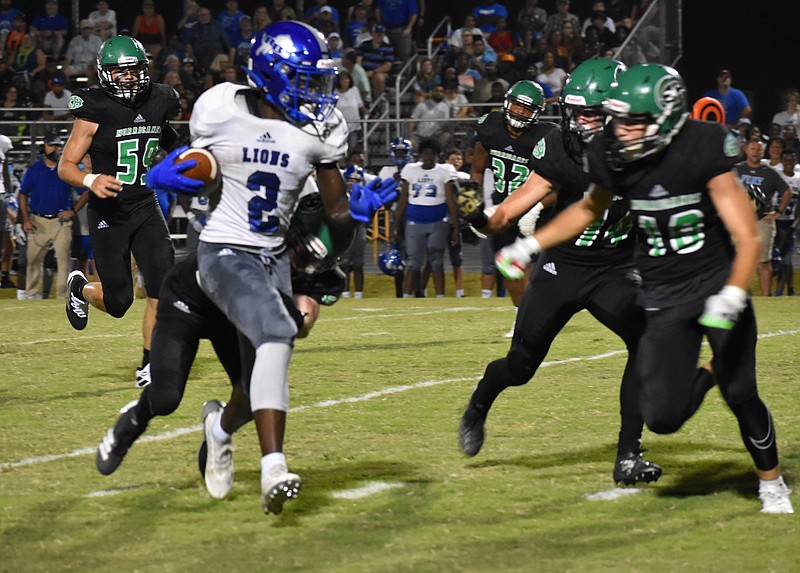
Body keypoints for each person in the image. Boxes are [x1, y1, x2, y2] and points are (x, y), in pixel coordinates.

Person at [496, 63, 794, 514]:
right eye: (622, 118)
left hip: (714, 285)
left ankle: (771, 484)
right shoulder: (614, 153)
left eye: (635, 119)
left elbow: (747, 235)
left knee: (741, 393)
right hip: (663, 293)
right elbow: (587, 210)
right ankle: (710, 372)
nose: (624, 128)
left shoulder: (702, 147)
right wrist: (532, 243)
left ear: (669, 117)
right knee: (664, 418)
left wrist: (734, 290)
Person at [135, 21, 396, 515]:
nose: (317, 93)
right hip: (235, 237)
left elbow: (335, 220)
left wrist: (347, 223)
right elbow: (204, 172)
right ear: (271, 76)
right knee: (269, 346)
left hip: (297, 238)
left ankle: (221, 427)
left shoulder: (324, 126)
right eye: (304, 79)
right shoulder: (222, 108)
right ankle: (272, 462)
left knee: (281, 344)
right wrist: (174, 175)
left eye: (319, 80)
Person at [458, 57, 662, 485]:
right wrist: (487, 218)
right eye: (576, 110)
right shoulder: (558, 144)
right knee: (521, 367)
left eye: (591, 112)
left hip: (616, 268)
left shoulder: (646, 145)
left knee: (646, 341)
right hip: (563, 265)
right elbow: (522, 199)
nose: (580, 121)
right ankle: (480, 401)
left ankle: (628, 455)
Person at [94, 192, 350, 503]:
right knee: (165, 397)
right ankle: (133, 421)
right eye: (305, 254)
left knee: (256, 394)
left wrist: (297, 318)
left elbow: (303, 320)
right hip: (190, 300)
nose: (308, 266)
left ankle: (218, 430)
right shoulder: (250, 235)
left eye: (318, 262)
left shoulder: (313, 272)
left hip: (232, 315)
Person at [58, 36, 198, 387]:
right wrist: (91, 180)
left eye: (134, 71)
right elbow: (66, 166)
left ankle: (150, 365)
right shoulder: (94, 108)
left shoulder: (161, 98)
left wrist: (187, 157)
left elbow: (163, 134)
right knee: (119, 301)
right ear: (106, 74)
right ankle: (83, 289)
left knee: (161, 288)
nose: (128, 78)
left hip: (146, 205)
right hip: (109, 210)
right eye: (120, 73)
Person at [470, 80, 557, 336]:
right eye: (517, 105)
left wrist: (536, 207)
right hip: (504, 207)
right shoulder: (490, 127)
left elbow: (560, 184)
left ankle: (530, 322)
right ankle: (522, 317)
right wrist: (476, 207)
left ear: (537, 113)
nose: (519, 112)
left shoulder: (547, 136)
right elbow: (476, 169)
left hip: (538, 208)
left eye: (527, 109)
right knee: (507, 265)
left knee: (528, 264)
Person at [18, 134, 87, 300]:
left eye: (58, 145)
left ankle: (63, 297)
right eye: (52, 145)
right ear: (44, 148)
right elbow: (22, 194)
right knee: (33, 261)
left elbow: (85, 191)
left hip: (61, 221)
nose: (56, 148)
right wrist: (26, 219)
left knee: (64, 262)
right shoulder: (34, 170)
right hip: (38, 221)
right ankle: (32, 295)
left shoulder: (66, 169)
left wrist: (74, 210)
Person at [391, 137, 459, 297]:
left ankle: (440, 297)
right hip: (414, 220)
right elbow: (403, 199)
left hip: (438, 220)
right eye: (426, 153)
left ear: (437, 155)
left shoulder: (445, 170)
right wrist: (394, 224)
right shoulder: (410, 169)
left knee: (437, 262)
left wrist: (455, 226)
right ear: (420, 155)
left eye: (432, 154)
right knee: (413, 262)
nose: (429, 157)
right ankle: (406, 297)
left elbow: (451, 200)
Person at [735, 138, 792, 297]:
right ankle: (743, 297)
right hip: (739, 223)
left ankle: (766, 298)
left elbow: (787, 192)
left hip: (762, 221)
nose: (755, 152)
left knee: (764, 263)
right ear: (747, 150)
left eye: (758, 150)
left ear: (763, 152)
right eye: (753, 149)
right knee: (738, 261)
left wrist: (778, 212)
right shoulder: (736, 170)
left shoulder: (769, 173)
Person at [773, 147, 799, 296]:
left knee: (787, 259)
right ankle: (788, 288)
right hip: (775, 221)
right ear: (782, 160)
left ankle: (781, 290)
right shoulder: (775, 176)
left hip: (789, 222)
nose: (789, 161)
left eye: (792, 158)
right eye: (786, 159)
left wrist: (793, 226)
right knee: (778, 258)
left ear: (795, 160)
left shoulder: (798, 178)